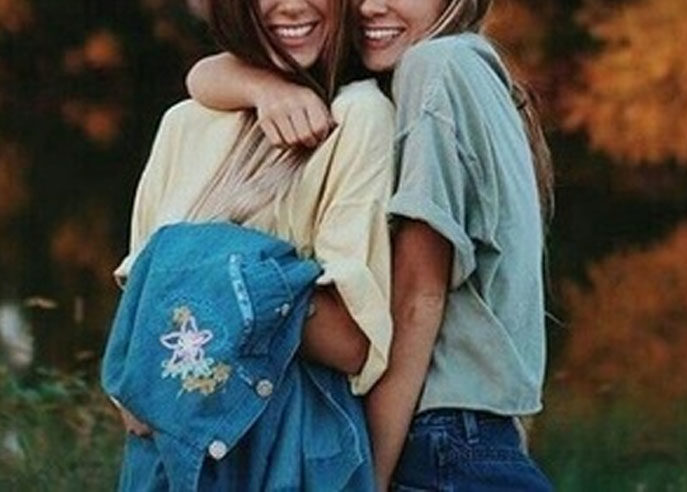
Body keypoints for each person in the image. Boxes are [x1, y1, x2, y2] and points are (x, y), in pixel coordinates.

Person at [186, 0, 555, 490]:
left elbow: (419, 297)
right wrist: (266, 89)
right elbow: (203, 76)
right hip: (473, 440)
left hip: (431, 445)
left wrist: (368, 478)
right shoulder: (467, 70)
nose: (370, 6)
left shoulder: (434, 66)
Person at [106, 0, 395, 489]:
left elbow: (350, 341)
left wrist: (200, 271)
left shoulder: (360, 116)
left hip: (284, 447)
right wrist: (269, 283)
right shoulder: (183, 124)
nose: (292, 5)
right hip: (168, 451)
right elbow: (137, 344)